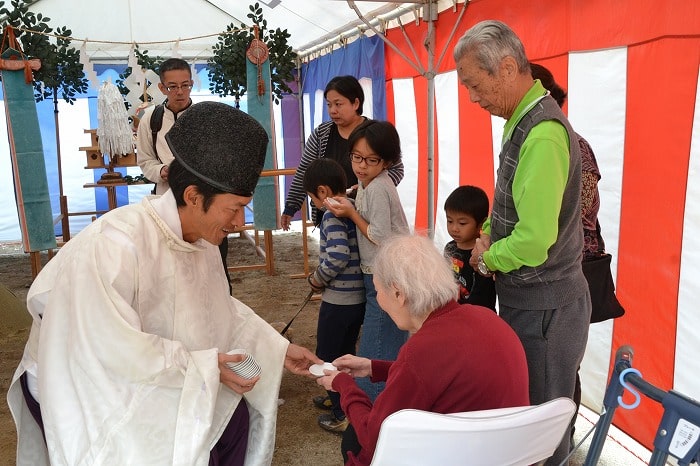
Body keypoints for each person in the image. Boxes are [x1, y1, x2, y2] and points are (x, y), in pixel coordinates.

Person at [7, 101, 321, 466]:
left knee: (233, 422)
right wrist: (202, 367)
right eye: (234, 208)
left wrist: (278, 350)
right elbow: (108, 348)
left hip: (157, 371)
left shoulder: (201, 238)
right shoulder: (113, 245)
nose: (239, 222)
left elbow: (217, 308)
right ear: (192, 196)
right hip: (87, 382)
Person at [454, 20, 591, 464]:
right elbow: (509, 200)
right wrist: (491, 231)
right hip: (532, 303)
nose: (474, 99)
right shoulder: (522, 121)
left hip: (547, 308)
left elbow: (534, 242)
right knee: (530, 412)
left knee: (543, 426)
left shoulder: (544, 134)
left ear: (508, 67)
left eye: (476, 86)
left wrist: (489, 256)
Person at [316, 234, 530, 466]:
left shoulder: (421, 350)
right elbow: (441, 375)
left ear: (398, 294)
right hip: (507, 454)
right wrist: (372, 367)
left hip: (457, 455)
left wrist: (343, 385)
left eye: (377, 290)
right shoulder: (486, 317)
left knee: (353, 440)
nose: (378, 298)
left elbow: (374, 437)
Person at [530, 61, 602, 443]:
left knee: (559, 365)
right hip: (548, 270)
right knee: (549, 365)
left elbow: (583, 208)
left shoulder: (570, 143)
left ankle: (560, 438)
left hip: (569, 269)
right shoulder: (532, 139)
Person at [323, 120, 410, 402]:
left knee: (377, 345)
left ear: (387, 162)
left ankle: (372, 409)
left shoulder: (378, 188)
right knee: (382, 341)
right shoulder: (367, 184)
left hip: (386, 275)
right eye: (357, 157)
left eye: (371, 160)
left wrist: (351, 214)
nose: (362, 165)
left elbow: (381, 235)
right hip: (383, 273)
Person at [136, 57, 233, 293]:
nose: (180, 92)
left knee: (214, 261)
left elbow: (222, 158)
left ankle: (221, 308)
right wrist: (162, 171)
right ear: (161, 88)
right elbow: (145, 160)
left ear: (192, 83)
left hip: (206, 203)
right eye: (172, 87)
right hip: (166, 203)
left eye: (185, 85)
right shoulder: (151, 119)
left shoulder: (207, 117)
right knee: (172, 265)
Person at [280, 75, 404, 230]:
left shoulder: (373, 133)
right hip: (330, 214)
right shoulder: (321, 134)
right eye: (329, 105)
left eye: (338, 104)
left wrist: (369, 186)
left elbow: (397, 169)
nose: (333, 110)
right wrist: (291, 206)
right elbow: (305, 170)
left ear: (356, 103)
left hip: (366, 216)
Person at [303, 158, 366, 434]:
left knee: (327, 355)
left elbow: (338, 256)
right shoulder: (352, 209)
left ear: (323, 191)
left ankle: (343, 412)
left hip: (339, 300)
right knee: (345, 353)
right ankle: (337, 398)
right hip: (357, 300)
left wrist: (317, 278)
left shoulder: (331, 215)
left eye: (312, 197)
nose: (314, 203)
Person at [443, 185, 496, 311]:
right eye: (450, 221)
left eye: (462, 223)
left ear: (481, 223)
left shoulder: (483, 253)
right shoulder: (449, 248)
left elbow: (482, 297)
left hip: (479, 317)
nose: (454, 228)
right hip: (452, 314)